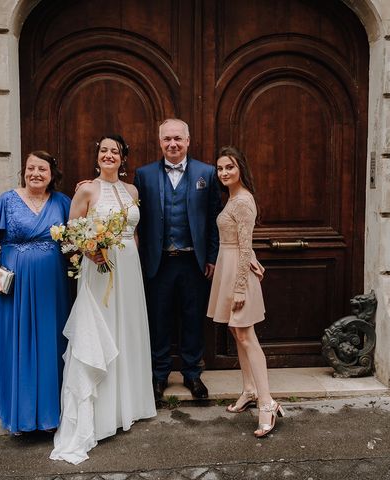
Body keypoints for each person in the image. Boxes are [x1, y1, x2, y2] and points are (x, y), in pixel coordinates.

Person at [50, 135, 156, 464]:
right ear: (97, 157)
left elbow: (134, 231)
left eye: (115, 151)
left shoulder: (133, 191)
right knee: (103, 330)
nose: (109, 155)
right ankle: (101, 412)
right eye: (103, 151)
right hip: (99, 270)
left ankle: (128, 406)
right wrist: (90, 251)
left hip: (128, 269)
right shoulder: (86, 190)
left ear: (123, 158)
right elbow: (69, 235)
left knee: (127, 331)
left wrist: (132, 258)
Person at [0, 151, 71, 435]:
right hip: (15, 284)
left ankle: (50, 416)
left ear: (51, 174)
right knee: (17, 342)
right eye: (30, 168)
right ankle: (19, 417)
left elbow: (75, 237)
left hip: (52, 284)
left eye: (42, 169)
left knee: (51, 342)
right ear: (24, 171)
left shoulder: (62, 202)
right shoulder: (6, 200)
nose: (35, 174)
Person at [134, 119, 222, 399]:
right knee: (159, 320)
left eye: (177, 139)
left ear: (188, 141)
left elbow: (213, 220)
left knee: (193, 319)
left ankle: (192, 374)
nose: (172, 144)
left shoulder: (206, 173)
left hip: (193, 262)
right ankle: (159, 376)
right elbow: (138, 220)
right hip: (158, 262)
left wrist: (212, 256)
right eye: (167, 139)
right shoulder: (144, 175)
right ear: (159, 142)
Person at [207, 146, 284, 438]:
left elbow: (244, 245)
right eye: (220, 168)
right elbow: (243, 244)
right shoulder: (232, 198)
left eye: (230, 167)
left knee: (246, 336)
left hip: (237, 274)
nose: (224, 173)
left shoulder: (243, 202)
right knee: (237, 332)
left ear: (241, 169)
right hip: (229, 268)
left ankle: (267, 403)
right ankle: (249, 389)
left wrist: (240, 286)